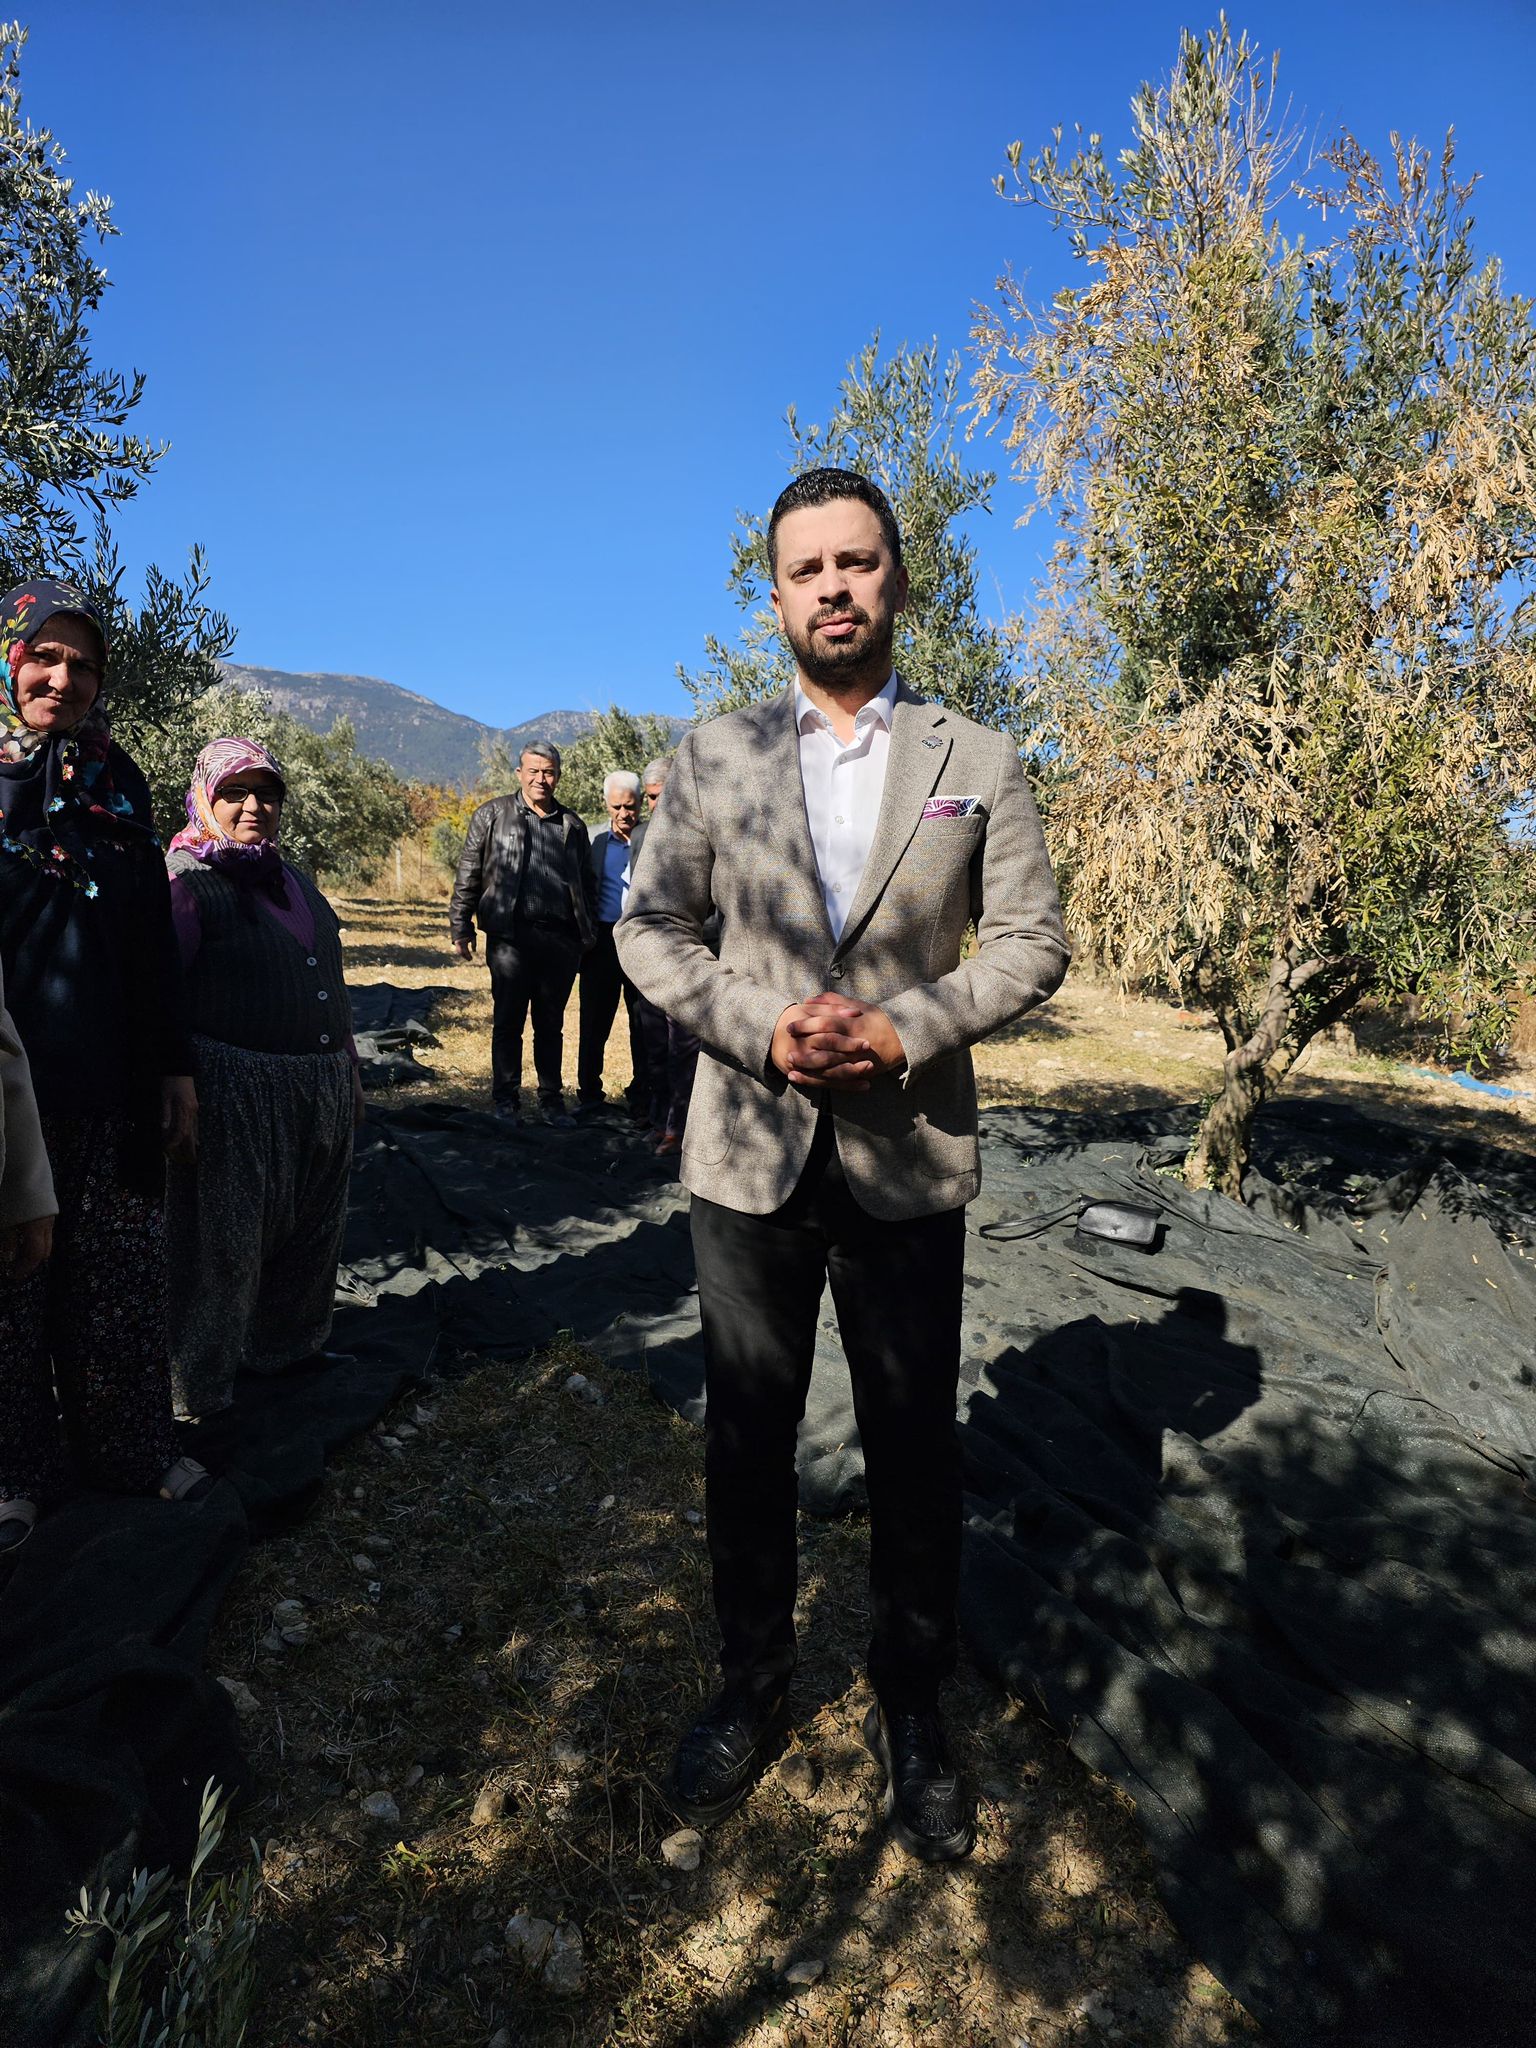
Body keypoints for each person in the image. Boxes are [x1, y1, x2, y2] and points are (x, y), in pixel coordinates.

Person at [618, 470, 1069, 1859]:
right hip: (746, 1158)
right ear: (773, 597)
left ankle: (914, 1707)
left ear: (899, 580)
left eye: (857, 563)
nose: (833, 588)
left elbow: (1031, 945)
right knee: (747, 1436)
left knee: (913, 1443)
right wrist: (763, 1029)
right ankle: (752, 1684)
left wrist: (903, 1029)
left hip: (907, 1157)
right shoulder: (711, 756)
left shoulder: (977, 763)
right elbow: (651, 931)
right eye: (806, 568)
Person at [0, 577, 209, 1552]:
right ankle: (18, 1471)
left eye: (83, 663)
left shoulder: (117, 778)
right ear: (9, 659)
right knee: (10, 1288)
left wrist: (174, 1065)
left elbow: (150, 941)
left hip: (117, 1077)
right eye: (44, 655)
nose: (63, 677)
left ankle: (129, 1449)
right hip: (12, 1087)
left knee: (121, 1278)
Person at [164, 737, 365, 1423]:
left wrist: (349, 1065)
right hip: (233, 1087)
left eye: (267, 793)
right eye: (236, 793)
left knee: (311, 1229)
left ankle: (287, 1350)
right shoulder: (188, 884)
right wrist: (176, 1080)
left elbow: (327, 976)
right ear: (206, 798)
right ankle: (200, 1384)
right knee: (224, 1242)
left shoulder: (294, 877)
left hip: (320, 1082)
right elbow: (156, 995)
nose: (255, 807)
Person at [449, 742, 598, 1127]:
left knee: (551, 1024)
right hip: (510, 937)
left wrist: (588, 932)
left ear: (558, 776)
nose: (540, 779)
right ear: (519, 773)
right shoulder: (492, 815)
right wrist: (460, 925)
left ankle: (551, 1100)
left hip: (560, 941)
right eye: (533, 771)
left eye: (548, 772)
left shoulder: (572, 825)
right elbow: (469, 871)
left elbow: (588, 884)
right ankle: (506, 1100)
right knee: (509, 1020)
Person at [576, 770, 650, 1116]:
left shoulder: (652, 839)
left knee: (642, 1022)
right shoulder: (593, 841)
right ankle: (589, 1092)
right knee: (594, 1021)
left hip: (640, 939)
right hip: (601, 941)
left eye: (630, 806)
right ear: (606, 804)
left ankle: (643, 1094)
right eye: (617, 806)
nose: (624, 814)